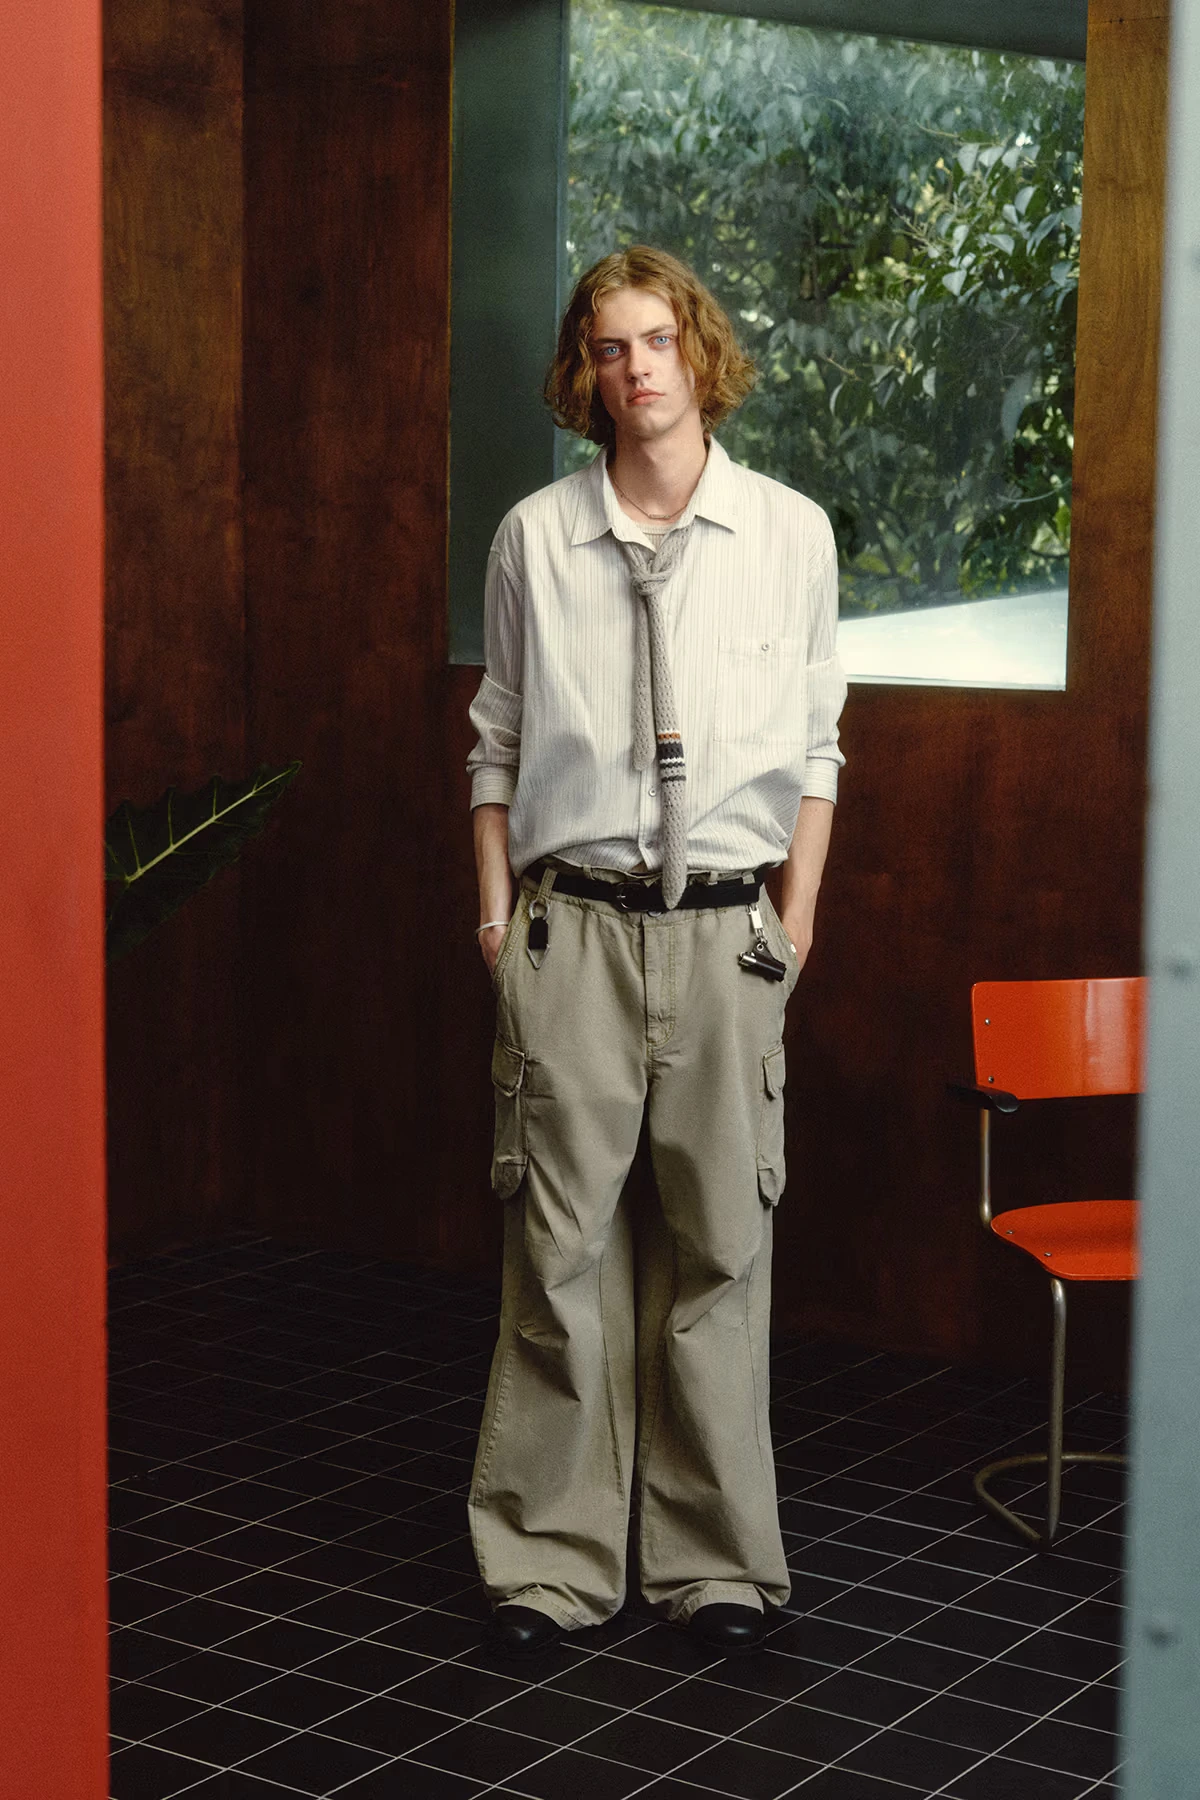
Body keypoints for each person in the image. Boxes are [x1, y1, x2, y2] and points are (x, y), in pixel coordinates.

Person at [465, 245, 847, 1659]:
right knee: (559, 1250)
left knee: (721, 1248)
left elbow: (819, 747)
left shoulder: (790, 534)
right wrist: (497, 920)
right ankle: (548, 1563)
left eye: (658, 340)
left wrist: (795, 923)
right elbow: (495, 742)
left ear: (700, 351)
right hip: (570, 929)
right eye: (610, 347)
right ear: (588, 373)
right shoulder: (535, 537)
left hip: (731, 938)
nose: (637, 368)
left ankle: (716, 1563)